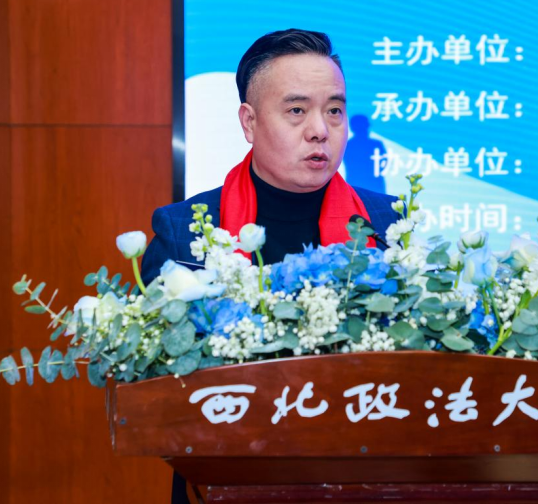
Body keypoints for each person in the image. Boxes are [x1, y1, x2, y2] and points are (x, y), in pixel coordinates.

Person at [139, 29, 399, 503]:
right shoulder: (185, 233)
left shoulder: (389, 225)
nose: (320, 130)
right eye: (297, 110)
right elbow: (155, 393)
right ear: (249, 121)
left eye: (334, 111)